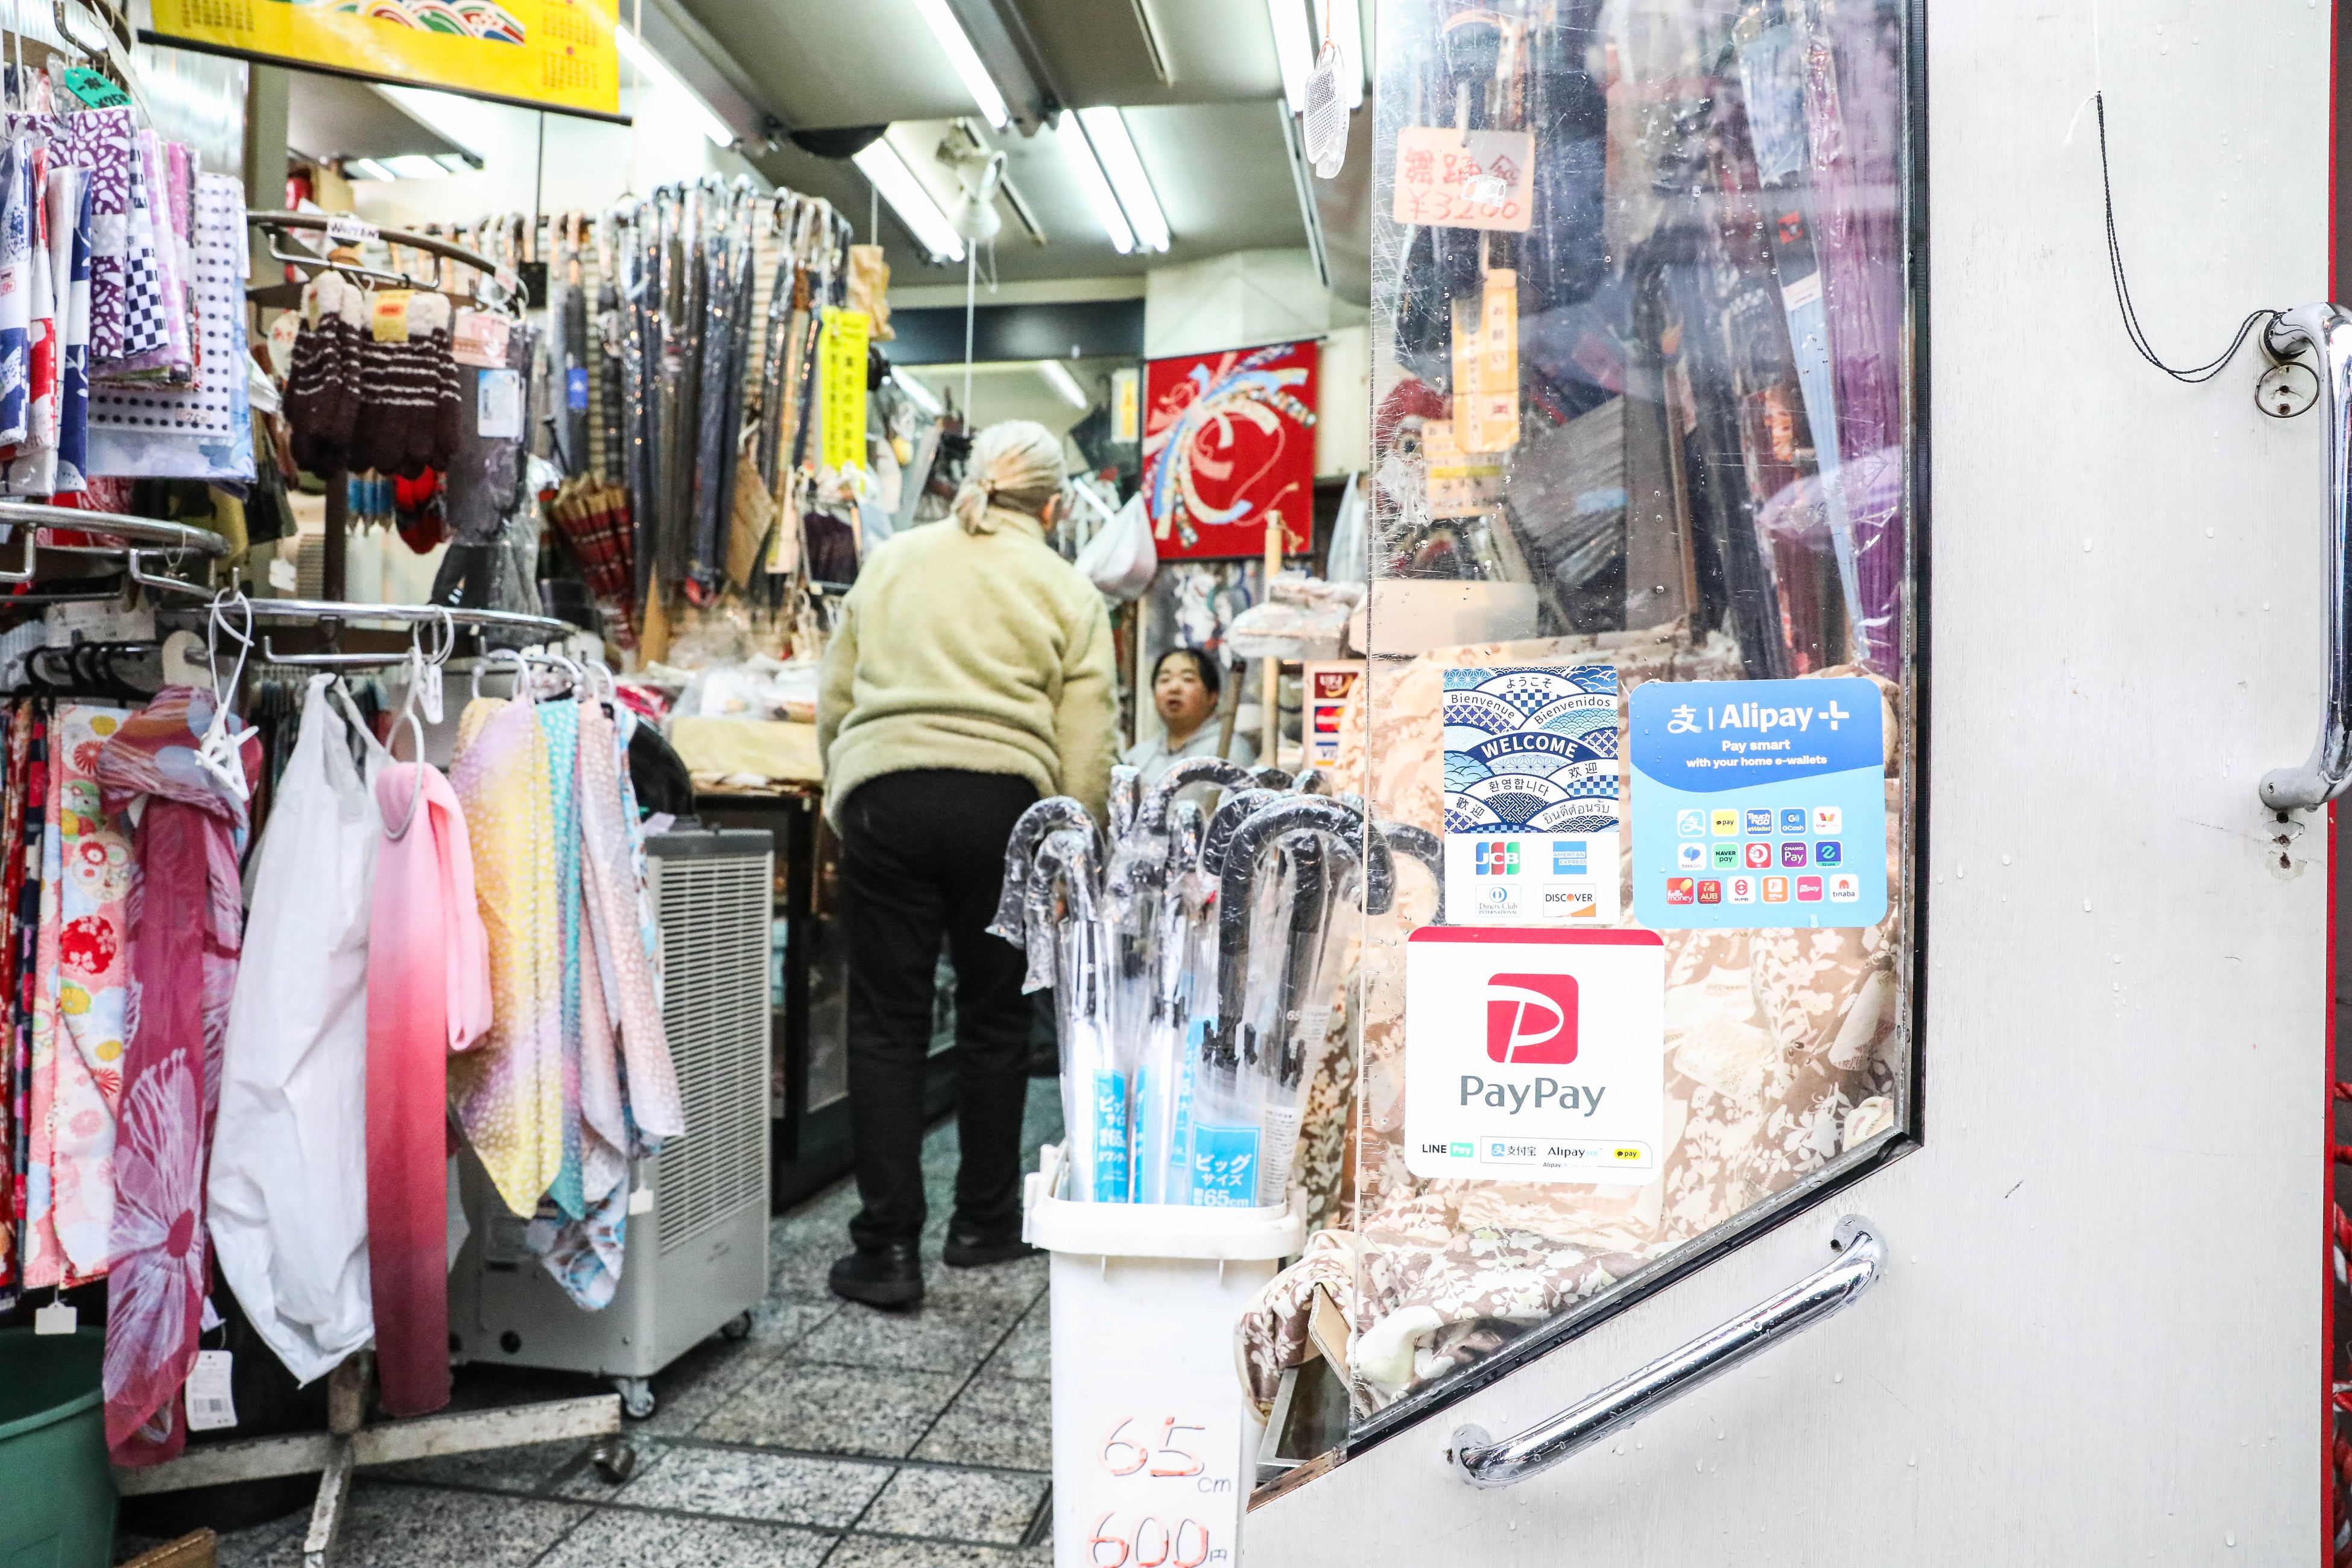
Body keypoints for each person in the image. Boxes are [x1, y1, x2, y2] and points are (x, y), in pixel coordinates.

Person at [816, 420, 1118, 1308]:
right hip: (1005, 808)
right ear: (1052, 506)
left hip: (886, 792)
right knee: (995, 1023)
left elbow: (835, 696)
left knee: (886, 1025)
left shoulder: (893, 560)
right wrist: (1071, 852)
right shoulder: (1065, 587)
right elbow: (1088, 743)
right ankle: (983, 1224)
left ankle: (886, 1248)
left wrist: (844, 793)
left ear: (968, 484)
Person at [1124, 646, 1254, 786]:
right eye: (1165, 680)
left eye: (1187, 679)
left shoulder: (1230, 750)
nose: (1174, 688)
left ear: (1212, 696)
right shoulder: (1138, 757)